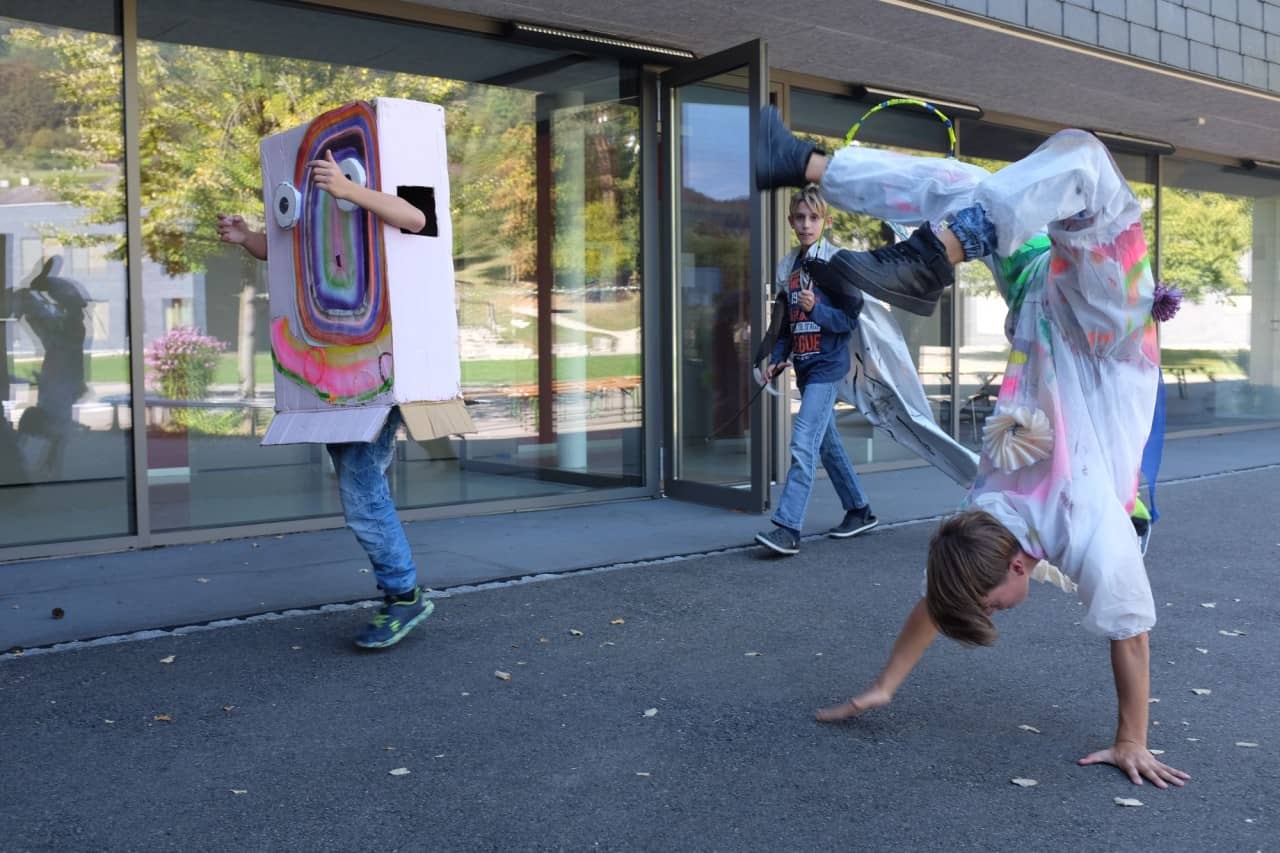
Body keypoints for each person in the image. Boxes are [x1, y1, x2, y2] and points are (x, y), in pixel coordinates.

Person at [756, 106, 1189, 788]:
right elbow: (966, 591)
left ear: (1016, 561)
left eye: (990, 603)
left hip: (1085, 324)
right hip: (1083, 326)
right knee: (1036, 174)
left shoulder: (1042, 522)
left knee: (1057, 162)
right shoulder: (1026, 519)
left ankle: (812, 169)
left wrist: (887, 684)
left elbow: (1118, 632)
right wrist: (886, 683)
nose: (991, 610)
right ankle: (923, 237)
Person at [217, 150, 433, 650]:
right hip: (337, 363)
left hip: (381, 365)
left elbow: (418, 217)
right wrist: (250, 238)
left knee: (361, 489)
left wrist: (347, 187)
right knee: (360, 484)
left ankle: (404, 595)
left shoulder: (400, 161)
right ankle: (400, 591)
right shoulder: (331, 201)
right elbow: (293, 251)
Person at [754, 186, 876, 556]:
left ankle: (787, 528)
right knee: (827, 443)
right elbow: (784, 322)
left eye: (814, 218)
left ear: (826, 221)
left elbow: (848, 319)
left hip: (829, 366)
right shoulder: (786, 267)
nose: (806, 225)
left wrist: (815, 309)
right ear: (791, 221)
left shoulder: (836, 262)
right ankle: (859, 510)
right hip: (804, 367)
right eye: (800, 218)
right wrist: (777, 355)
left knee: (802, 441)